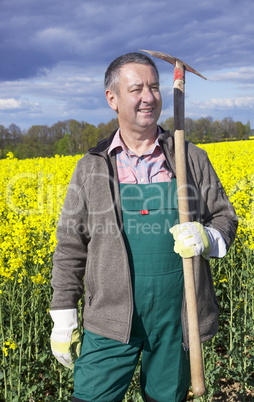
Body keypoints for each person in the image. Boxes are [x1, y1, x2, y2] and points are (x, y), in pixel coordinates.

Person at [50, 52, 238, 402]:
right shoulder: (91, 168)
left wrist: (207, 237)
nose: (148, 97)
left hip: (176, 319)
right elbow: (71, 246)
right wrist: (63, 314)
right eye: (136, 88)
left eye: (154, 87)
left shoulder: (190, 158)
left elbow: (224, 217)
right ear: (113, 99)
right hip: (108, 318)